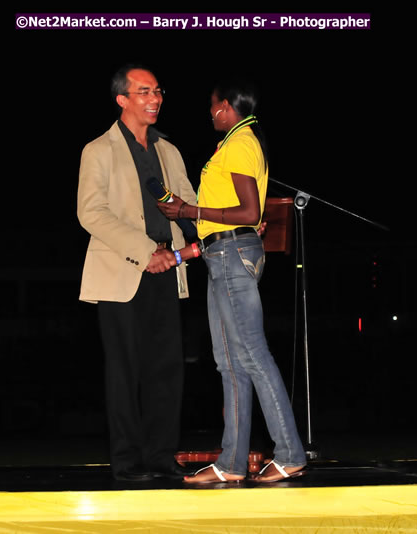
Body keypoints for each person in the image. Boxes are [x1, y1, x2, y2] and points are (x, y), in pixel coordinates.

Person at [157, 79, 307, 484]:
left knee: (254, 356)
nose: (209, 113)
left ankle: (291, 453)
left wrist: (189, 208)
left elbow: (248, 211)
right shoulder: (235, 144)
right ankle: (230, 464)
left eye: (212, 106)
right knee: (229, 364)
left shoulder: (241, 144)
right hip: (219, 255)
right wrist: (189, 224)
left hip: (232, 254)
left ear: (226, 107)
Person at [77, 64, 197, 482]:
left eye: (158, 90)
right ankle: (127, 463)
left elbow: (189, 204)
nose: (155, 98)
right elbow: (91, 212)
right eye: (144, 91)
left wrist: (228, 224)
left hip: (169, 268)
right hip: (122, 271)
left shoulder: (170, 150)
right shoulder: (99, 149)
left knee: (167, 369)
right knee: (124, 371)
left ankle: (161, 458)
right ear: (122, 99)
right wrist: (147, 252)